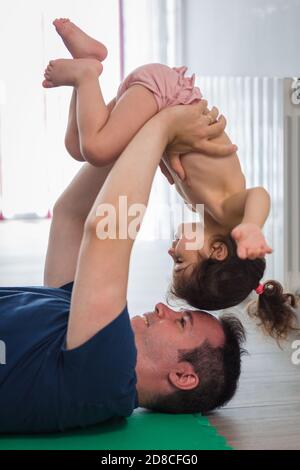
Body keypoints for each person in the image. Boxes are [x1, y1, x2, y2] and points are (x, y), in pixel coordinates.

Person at [0, 99, 246, 433]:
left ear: (182, 376)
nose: (163, 308)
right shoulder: (82, 327)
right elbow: (71, 216)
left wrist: (163, 125)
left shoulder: (110, 376)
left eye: (181, 323)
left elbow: (107, 230)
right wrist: (132, 117)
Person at [43, 19, 298, 341]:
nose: (171, 252)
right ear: (218, 251)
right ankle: (86, 74)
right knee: (95, 148)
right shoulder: (227, 211)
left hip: (157, 103)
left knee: (79, 147)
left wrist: (163, 152)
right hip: (167, 96)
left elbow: (171, 153)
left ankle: (87, 62)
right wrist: (251, 225)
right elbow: (259, 194)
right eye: (180, 260)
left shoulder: (201, 207)